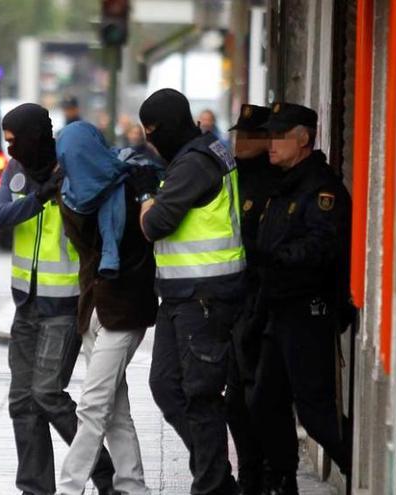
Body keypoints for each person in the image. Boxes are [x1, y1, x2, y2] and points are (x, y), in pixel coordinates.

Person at [0, 104, 117, 495]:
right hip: (25, 302)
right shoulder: (19, 171)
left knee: (47, 393)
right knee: (22, 402)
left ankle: (105, 474)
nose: (11, 151)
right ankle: (34, 488)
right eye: (6, 142)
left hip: (64, 303)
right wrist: (38, 198)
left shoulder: (73, 169)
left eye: (15, 141)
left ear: (36, 137)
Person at [129, 89, 245, 495]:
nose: (148, 140)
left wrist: (146, 195)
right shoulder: (200, 151)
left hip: (205, 295)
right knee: (166, 386)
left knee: (200, 395)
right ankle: (216, 478)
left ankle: (213, 486)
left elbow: (154, 224)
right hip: (182, 295)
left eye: (152, 132)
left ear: (170, 125)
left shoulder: (196, 161)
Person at [248, 103, 352, 494]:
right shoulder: (284, 184)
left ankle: (360, 473)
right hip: (279, 308)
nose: (269, 144)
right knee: (264, 404)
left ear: (303, 139)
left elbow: (320, 247)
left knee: (317, 414)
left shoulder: (321, 189)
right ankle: (283, 480)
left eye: (279, 135)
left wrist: (272, 257)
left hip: (308, 311)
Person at [55, 121, 157, 495]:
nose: (71, 162)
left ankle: (69, 487)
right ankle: (132, 486)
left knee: (93, 404)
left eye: (76, 155)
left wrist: (146, 192)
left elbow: (146, 244)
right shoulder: (68, 192)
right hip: (92, 308)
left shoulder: (131, 186)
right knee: (114, 410)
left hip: (125, 309)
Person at [224, 103, 275, 495]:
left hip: (263, 302)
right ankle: (250, 475)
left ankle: (268, 474)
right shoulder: (231, 176)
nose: (238, 141)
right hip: (234, 300)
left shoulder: (273, 183)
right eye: (236, 134)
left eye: (248, 135)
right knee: (235, 401)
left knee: (260, 398)